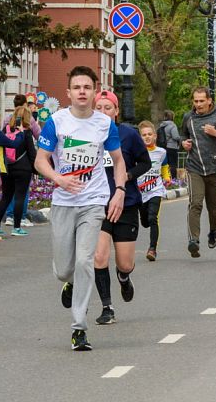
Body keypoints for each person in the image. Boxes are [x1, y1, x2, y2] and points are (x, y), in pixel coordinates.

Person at [34, 66, 126, 352]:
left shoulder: (104, 124)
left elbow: (119, 161)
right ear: (69, 93)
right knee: (64, 269)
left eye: (87, 87)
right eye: (77, 87)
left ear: (95, 91)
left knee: (86, 260)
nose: (82, 92)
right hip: (63, 202)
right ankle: (69, 281)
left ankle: (79, 329)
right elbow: (40, 160)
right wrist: (58, 178)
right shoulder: (57, 122)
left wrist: (119, 191)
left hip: (93, 200)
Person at [92, 90, 151, 326]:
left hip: (125, 202)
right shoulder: (87, 133)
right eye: (100, 108)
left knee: (125, 263)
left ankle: (124, 277)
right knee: (99, 256)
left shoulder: (128, 135)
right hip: (98, 202)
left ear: (116, 111)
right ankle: (107, 307)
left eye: (108, 108)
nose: (104, 112)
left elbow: (145, 162)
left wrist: (126, 175)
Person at [180, 87, 216, 257]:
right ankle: (194, 240)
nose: (198, 104)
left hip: (215, 168)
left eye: (201, 101)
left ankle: (214, 230)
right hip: (194, 167)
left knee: (213, 207)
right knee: (195, 203)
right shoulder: (188, 117)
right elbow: (182, 135)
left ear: (209, 101)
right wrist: (183, 143)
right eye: (195, 101)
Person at [0, 106, 37, 237]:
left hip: (7, 167)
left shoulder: (5, 129)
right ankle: (16, 227)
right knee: (19, 197)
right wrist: (35, 169)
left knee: (5, 197)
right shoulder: (26, 132)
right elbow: (31, 152)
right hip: (23, 168)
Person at [138, 120, 170, 262]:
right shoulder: (136, 153)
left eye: (149, 134)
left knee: (153, 218)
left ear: (155, 136)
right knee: (145, 221)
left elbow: (164, 166)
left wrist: (167, 177)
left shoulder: (161, 152)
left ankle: (152, 249)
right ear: (140, 137)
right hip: (140, 192)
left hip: (155, 190)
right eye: (144, 135)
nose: (147, 137)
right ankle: (145, 220)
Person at [157, 110, 181, 179]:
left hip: (164, 147)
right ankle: (173, 179)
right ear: (172, 117)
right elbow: (175, 136)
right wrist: (180, 138)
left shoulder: (162, 125)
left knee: (165, 164)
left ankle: (164, 178)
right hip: (172, 147)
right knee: (173, 164)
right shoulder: (172, 125)